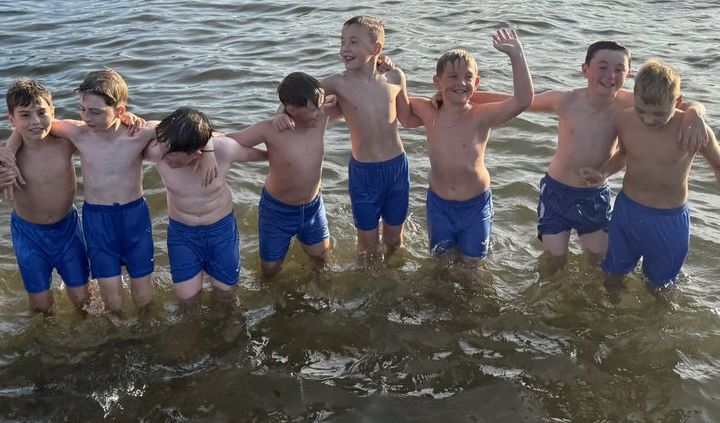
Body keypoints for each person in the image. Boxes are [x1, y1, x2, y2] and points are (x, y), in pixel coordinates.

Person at [461, 40, 708, 265]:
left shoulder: (632, 104)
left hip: (594, 195)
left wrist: (695, 113)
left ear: (628, 74)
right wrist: (466, 98)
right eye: (602, 67)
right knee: (554, 260)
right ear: (585, 70)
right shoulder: (565, 100)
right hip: (557, 192)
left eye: (619, 69)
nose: (610, 75)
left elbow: (679, 104)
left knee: (599, 261)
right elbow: (518, 101)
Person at [0, 70, 159, 314]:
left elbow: (182, 131)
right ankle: (116, 334)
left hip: (134, 215)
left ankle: (147, 331)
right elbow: (31, 125)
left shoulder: (138, 134)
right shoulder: (78, 133)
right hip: (97, 219)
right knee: (111, 299)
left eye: (95, 111)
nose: (87, 118)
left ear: (120, 111)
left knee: (144, 293)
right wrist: (9, 150)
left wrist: (209, 149)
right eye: (82, 110)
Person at [581, 59, 720, 289]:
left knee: (661, 287)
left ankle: (656, 324)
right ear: (634, 95)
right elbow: (625, 154)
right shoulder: (625, 119)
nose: (649, 119)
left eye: (659, 114)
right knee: (612, 275)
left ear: (677, 102)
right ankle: (610, 319)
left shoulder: (692, 130)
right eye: (642, 110)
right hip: (627, 212)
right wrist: (603, 173)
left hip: (669, 220)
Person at [391, 29, 534, 267]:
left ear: (476, 83)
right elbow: (404, 117)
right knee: (440, 263)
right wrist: (395, 75)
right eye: (453, 77)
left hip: (475, 205)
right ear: (437, 82)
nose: (461, 83)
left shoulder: (481, 115)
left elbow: (523, 100)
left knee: (472, 268)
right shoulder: (428, 111)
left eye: (468, 77)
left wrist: (516, 55)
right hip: (439, 204)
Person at [0, 79, 91, 314]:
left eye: (42, 112)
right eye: (24, 115)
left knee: (83, 298)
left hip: (67, 229)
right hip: (28, 234)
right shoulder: (9, 155)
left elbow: (96, 126)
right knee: (41, 305)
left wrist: (127, 119)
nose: (35, 121)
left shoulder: (65, 142)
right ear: (11, 119)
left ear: (53, 112)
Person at [307, 15, 411, 257]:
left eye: (353, 42)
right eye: (342, 42)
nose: (345, 48)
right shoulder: (338, 83)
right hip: (364, 172)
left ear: (376, 49)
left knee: (395, 241)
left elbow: (407, 118)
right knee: (367, 245)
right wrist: (283, 114)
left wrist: (441, 105)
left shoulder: (395, 77)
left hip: (396, 168)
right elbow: (301, 98)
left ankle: (393, 284)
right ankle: (367, 290)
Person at [147, 108, 266, 303]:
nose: (163, 154)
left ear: (195, 153)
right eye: (162, 146)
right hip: (182, 235)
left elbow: (265, 155)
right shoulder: (158, 151)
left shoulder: (225, 151)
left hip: (221, 233)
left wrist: (210, 148)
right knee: (187, 301)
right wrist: (208, 143)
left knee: (226, 297)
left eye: (171, 154)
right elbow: (151, 127)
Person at [229, 73, 342, 277]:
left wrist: (382, 66)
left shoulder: (322, 116)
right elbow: (228, 143)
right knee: (270, 271)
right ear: (292, 109)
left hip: (313, 207)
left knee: (321, 261)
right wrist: (261, 155)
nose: (320, 111)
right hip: (277, 211)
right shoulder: (270, 129)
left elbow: (351, 93)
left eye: (321, 105)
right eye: (314, 108)